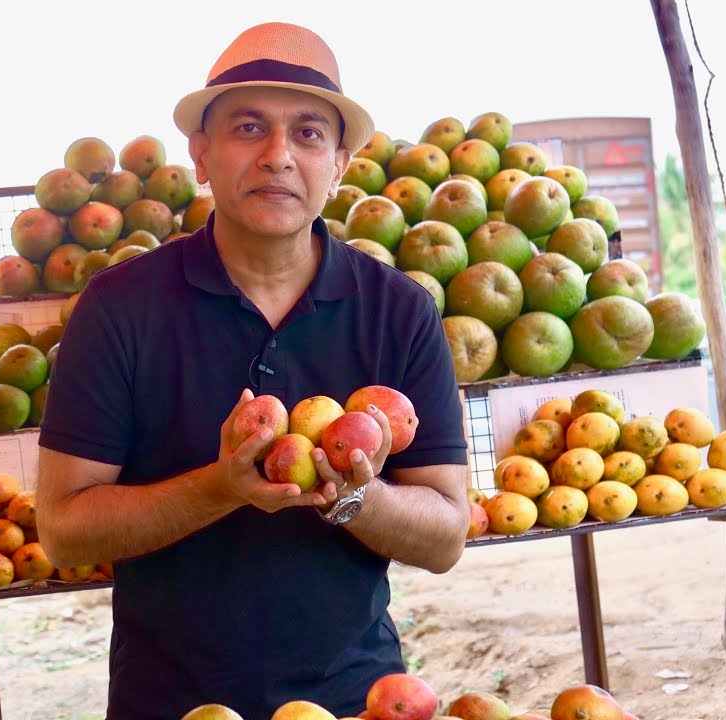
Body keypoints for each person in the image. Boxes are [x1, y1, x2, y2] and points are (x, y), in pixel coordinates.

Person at [36, 21, 470, 720]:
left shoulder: (399, 311)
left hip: (358, 700)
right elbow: (63, 530)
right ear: (201, 154)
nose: (278, 156)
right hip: (170, 704)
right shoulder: (118, 308)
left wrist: (353, 497)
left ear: (340, 163)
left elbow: (446, 534)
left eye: (308, 133)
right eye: (248, 127)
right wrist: (220, 488)